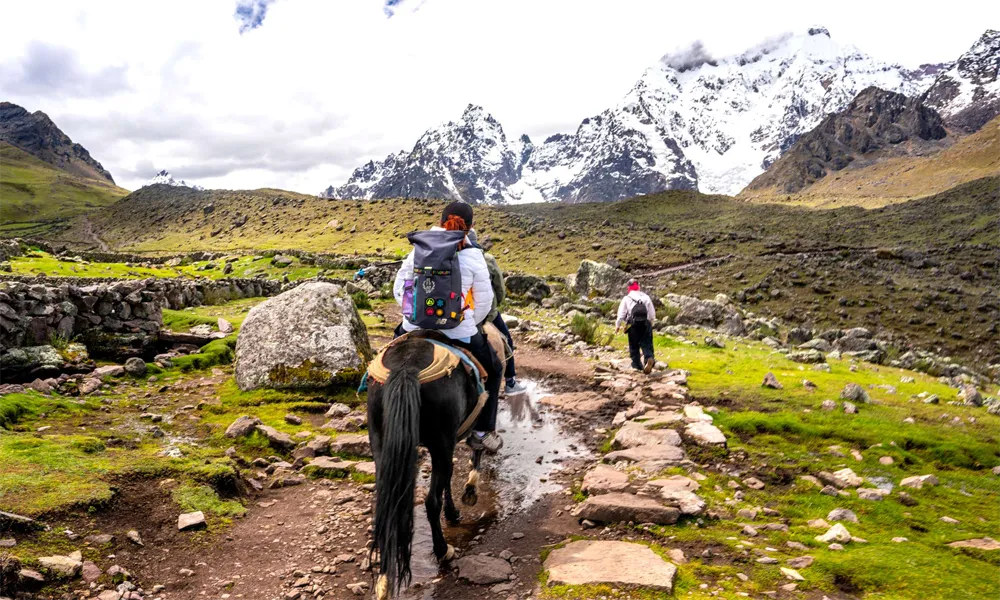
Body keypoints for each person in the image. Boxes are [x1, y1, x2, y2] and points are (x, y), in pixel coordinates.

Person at [393, 202, 504, 453]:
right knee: (495, 369)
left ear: (441, 221)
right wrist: (468, 321)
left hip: (414, 326)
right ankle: (481, 431)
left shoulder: (419, 249)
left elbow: (399, 288)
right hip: (459, 331)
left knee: (389, 355)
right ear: (471, 227)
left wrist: (414, 314)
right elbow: (485, 301)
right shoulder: (474, 255)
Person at [466, 229, 527, 394]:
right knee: (507, 341)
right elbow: (499, 288)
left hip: (457, 313)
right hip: (486, 314)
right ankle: (510, 382)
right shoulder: (487, 259)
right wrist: (496, 305)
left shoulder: (452, 258)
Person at [615, 279, 656, 374]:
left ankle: (637, 365)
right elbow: (652, 314)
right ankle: (649, 358)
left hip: (632, 325)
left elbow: (621, 314)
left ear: (628, 287)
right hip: (646, 324)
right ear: (638, 286)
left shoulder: (627, 298)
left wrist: (617, 326)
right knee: (647, 344)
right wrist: (650, 323)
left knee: (634, 346)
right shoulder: (646, 297)